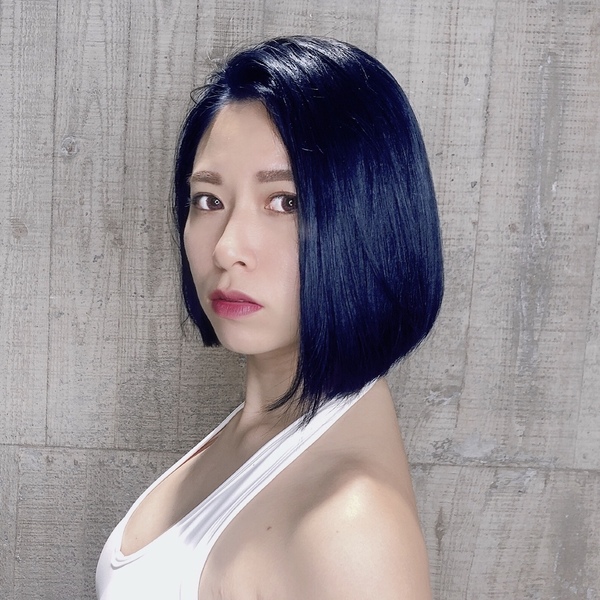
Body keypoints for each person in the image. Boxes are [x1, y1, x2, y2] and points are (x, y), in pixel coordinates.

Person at [96, 35, 443, 599]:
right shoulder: (264, 424)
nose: (227, 247)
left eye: (286, 202)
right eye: (209, 200)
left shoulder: (351, 527)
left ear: (372, 219)